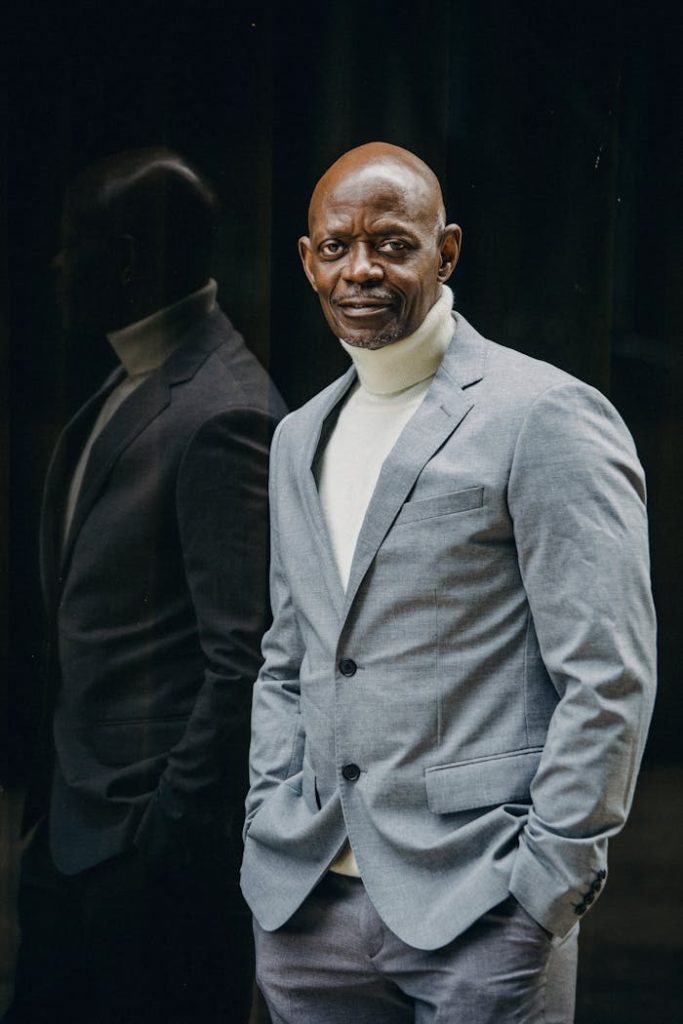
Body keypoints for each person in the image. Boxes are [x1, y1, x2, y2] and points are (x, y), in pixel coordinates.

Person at [240, 142, 656, 1023]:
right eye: (336, 246)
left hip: (483, 906)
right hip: (306, 911)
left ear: (446, 252)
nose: (360, 269)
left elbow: (608, 674)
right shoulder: (297, 437)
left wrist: (547, 886)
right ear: (307, 261)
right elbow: (287, 659)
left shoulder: (543, 414)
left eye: (392, 244)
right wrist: (267, 818)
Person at [5, 147, 286, 1024]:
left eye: (73, 243)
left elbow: (246, 658)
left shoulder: (222, 410)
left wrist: (165, 836)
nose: (57, 265)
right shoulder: (135, 379)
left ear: (126, 259)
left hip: (143, 861)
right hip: (76, 837)